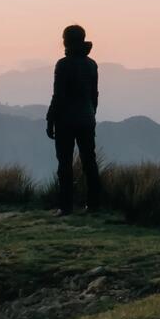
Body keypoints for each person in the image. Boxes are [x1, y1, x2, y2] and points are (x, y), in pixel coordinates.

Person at [46, 24, 101, 214]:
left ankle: (66, 206)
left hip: (65, 121)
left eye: (64, 38)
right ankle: (94, 204)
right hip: (87, 119)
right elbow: (94, 95)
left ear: (68, 41)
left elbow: (58, 96)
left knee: (65, 164)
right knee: (89, 162)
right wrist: (91, 114)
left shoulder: (63, 65)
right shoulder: (91, 64)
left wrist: (50, 119)